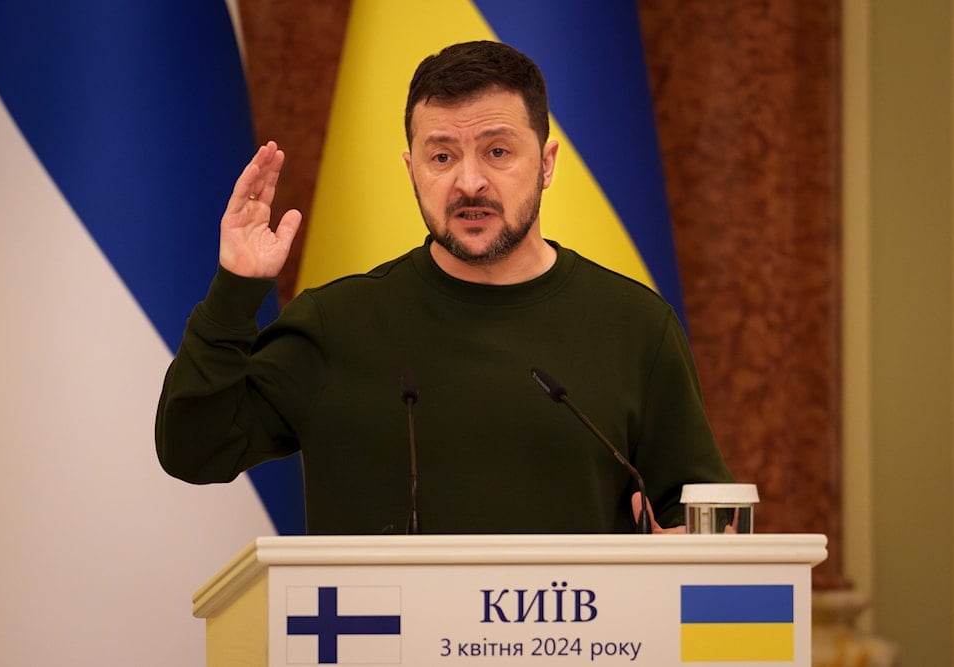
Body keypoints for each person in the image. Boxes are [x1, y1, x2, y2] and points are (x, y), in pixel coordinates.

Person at [155, 40, 732, 535]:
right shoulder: (338, 323)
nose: (470, 181)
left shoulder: (633, 325)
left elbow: (700, 513)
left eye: (498, 152)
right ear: (411, 170)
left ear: (548, 163)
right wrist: (235, 291)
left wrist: (680, 547)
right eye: (441, 156)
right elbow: (194, 449)